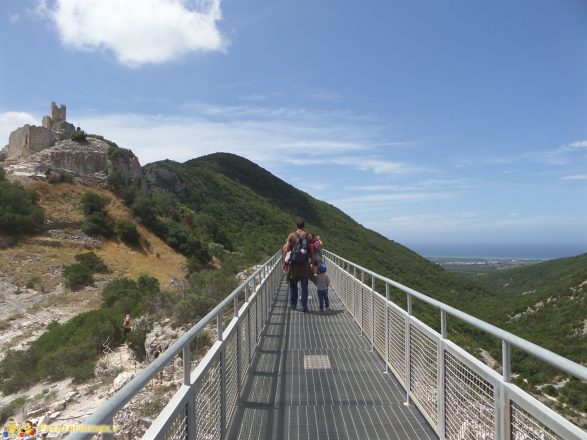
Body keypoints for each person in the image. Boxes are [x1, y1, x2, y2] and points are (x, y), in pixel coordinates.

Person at [285, 218, 315, 312]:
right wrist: (312, 265)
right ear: (304, 226)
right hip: (304, 265)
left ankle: (293, 304)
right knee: (304, 286)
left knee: (293, 285)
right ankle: (303, 306)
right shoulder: (308, 237)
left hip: (293, 265)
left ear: (296, 226)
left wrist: (285, 263)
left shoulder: (291, 236)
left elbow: (286, 250)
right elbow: (312, 252)